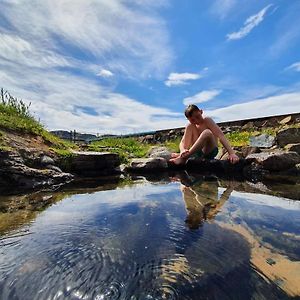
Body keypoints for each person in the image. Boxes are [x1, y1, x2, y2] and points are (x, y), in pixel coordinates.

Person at [170, 104, 239, 165]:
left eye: (198, 117)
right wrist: (182, 150)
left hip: (209, 150)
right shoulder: (192, 125)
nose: (196, 121)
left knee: (207, 132)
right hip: (197, 152)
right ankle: (184, 155)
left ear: (201, 111)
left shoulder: (207, 120)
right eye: (192, 120)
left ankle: (183, 158)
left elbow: (221, 135)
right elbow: (182, 142)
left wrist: (231, 153)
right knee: (189, 126)